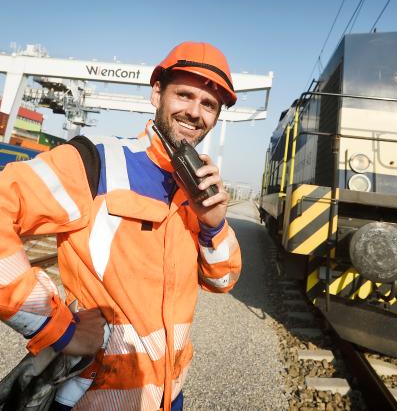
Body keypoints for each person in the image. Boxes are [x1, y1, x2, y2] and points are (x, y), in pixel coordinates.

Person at [0, 41, 242, 410]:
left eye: (209, 104)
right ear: (157, 93)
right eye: (185, 95)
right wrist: (58, 328)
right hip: (93, 398)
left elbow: (222, 281)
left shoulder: (199, 187)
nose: (195, 112)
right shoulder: (95, 162)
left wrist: (213, 225)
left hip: (167, 396)